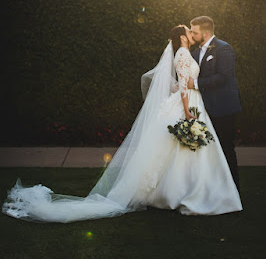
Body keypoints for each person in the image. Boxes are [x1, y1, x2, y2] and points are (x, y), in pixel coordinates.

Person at [2, 25, 242, 223]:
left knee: (185, 152)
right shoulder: (181, 54)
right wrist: (188, 112)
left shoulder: (185, 54)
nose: (192, 33)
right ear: (182, 37)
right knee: (182, 150)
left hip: (192, 102)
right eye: (189, 31)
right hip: (187, 106)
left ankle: (192, 189)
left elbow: (181, 82)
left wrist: (185, 94)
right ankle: (183, 193)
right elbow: (183, 86)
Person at [189, 16, 242, 192]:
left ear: (205, 33)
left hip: (223, 108)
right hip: (204, 109)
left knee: (226, 148)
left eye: (194, 32)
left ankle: (232, 190)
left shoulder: (224, 49)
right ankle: (213, 188)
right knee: (208, 150)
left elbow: (223, 76)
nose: (192, 34)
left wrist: (195, 84)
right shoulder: (195, 53)